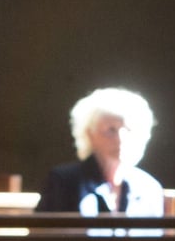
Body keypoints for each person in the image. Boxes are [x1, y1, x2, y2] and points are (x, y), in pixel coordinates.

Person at [34, 86, 166, 215]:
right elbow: (43, 233)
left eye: (128, 130)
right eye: (111, 130)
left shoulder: (149, 188)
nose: (120, 139)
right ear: (90, 134)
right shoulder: (64, 181)